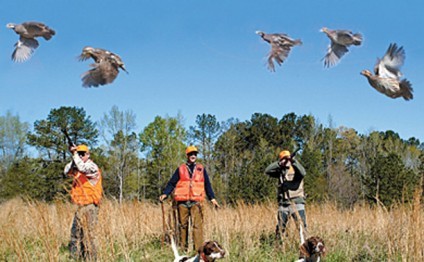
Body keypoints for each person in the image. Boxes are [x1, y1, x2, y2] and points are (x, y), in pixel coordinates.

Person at [159, 145, 220, 252]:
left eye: (195, 154)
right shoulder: (181, 169)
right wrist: (165, 194)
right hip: (182, 202)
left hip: (196, 202)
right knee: (182, 226)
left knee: (197, 227)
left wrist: (212, 198)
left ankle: (199, 251)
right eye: (191, 154)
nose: (193, 156)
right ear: (187, 155)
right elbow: (172, 183)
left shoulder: (201, 169)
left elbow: (207, 185)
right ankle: (183, 249)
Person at [64, 144, 102, 260]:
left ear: (88, 155)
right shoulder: (77, 169)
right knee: (75, 234)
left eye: (82, 154)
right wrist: (73, 157)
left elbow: (83, 168)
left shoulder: (92, 167)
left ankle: (91, 258)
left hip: (90, 206)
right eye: (78, 153)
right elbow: (66, 171)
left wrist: (75, 154)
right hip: (80, 207)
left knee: (89, 235)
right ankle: (75, 257)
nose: (80, 156)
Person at [265, 149, 307, 239]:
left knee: (301, 228)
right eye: (283, 159)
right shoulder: (280, 171)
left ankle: (306, 248)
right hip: (283, 204)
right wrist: (279, 164)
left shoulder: (296, 169)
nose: (286, 161)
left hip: (297, 203)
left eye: (287, 158)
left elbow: (303, 172)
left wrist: (293, 161)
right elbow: (267, 170)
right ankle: (279, 247)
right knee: (280, 228)